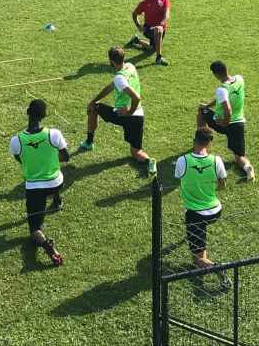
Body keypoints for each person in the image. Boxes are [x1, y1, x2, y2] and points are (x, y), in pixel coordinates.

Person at [9, 99, 69, 266]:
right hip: (56, 183)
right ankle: (57, 199)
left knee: (35, 229)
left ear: (27, 113)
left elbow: (19, 158)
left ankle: (47, 246)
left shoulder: (17, 140)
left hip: (35, 189)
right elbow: (66, 157)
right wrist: (50, 157)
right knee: (56, 180)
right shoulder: (54, 134)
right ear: (44, 116)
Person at [82, 46, 157, 173]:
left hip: (125, 115)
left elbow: (136, 97)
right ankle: (149, 161)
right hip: (139, 116)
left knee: (94, 108)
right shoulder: (130, 66)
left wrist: (129, 112)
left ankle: (89, 142)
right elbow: (110, 87)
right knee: (136, 151)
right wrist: (94, 99)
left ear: (111, 61)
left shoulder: (119, 78)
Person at [175, 128, 230, 281]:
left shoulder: (182, 161)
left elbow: (179, 177)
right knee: (199, 234)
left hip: (195, 215)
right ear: (209, 143)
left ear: (194, 141)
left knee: (197, 260)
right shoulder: (216, 160)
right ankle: (200, 250)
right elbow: (222, 185)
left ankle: (216, 268)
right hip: (216, 211)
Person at [197, 61, 255, 182]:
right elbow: (222, 99)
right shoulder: (239, 79)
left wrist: (224, 122)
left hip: (223, 122)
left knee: (201, 111)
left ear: (216, 74)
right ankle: (248, 168)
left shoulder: (221, 89)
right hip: (239, 124)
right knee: (239, 157)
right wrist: (208, 105)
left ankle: (202, 143)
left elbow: (227, 109)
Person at [128, 0, 170, 66]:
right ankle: (159, 58)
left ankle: (136, 40)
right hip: (148, 28)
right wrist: (138, 26)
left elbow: (166, 14)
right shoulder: (144, 3)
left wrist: (161, 24)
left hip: (161, 27)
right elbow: (134, 14)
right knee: (157, 31)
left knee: (153, 48)